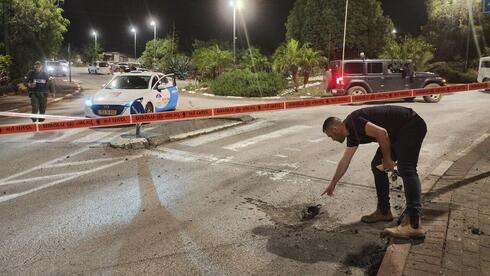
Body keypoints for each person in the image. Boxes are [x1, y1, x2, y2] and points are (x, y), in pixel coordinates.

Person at [321, 105, 427, 239]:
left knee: (407, 169)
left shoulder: (354, 121)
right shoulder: (352, 135)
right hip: (397, 134)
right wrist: (332, 184)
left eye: (331, 136)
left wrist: (388, 159)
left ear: (334, 129)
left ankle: (413, 225)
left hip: (411, 125)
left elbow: (381, 133)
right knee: (377, 165)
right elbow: (345, 161)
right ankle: (384, 211)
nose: (333, 139)